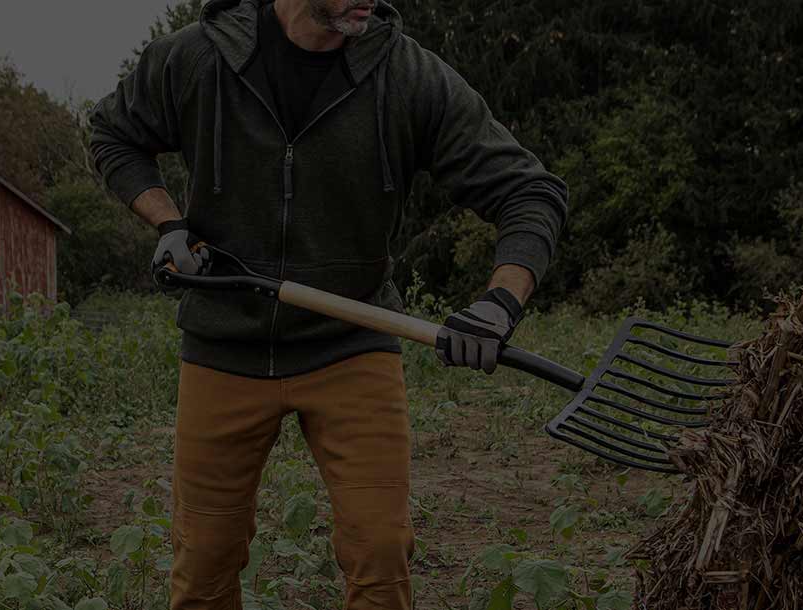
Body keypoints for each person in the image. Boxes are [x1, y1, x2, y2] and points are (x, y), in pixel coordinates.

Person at [89, 0, 567, 608]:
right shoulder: (198, 58)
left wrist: (501, 300)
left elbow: (529, 189)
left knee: (380, 551)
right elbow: (112, 132)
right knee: (204, 560)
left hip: (350, 344)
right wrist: (168, 223)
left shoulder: (407, 77)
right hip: (223, 345)